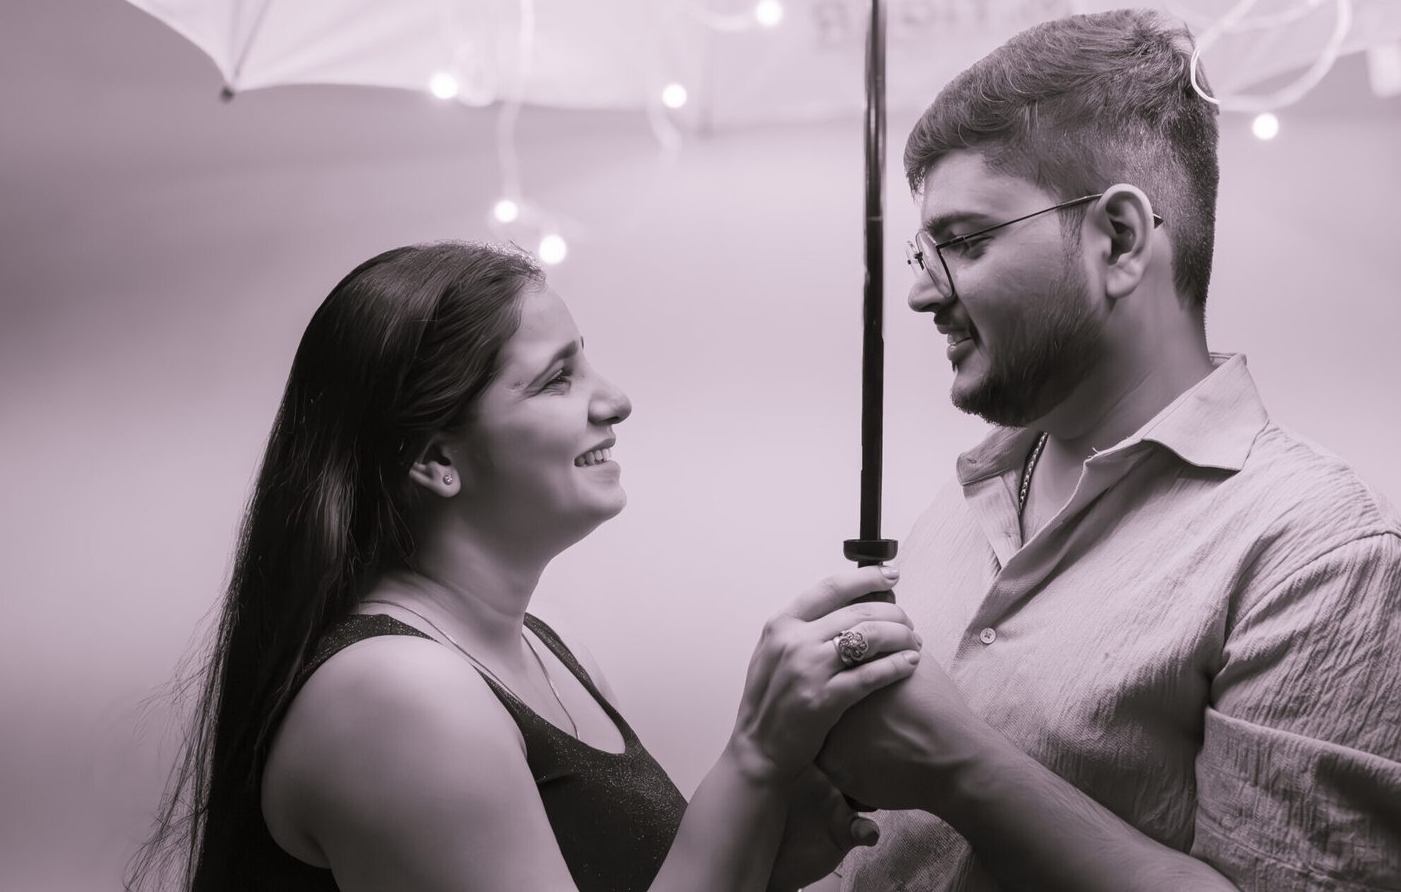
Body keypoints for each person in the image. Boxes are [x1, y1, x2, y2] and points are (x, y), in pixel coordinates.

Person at [815, 9, 1401, 891]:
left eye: (965, 242)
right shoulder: (969, 499)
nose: (919, 293)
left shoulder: (1328, 564)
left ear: (1121, 239)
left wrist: (960, 766)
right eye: (922, 249)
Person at [128, 240, 924, 892]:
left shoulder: (542, 652)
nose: (615, 400)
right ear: (438, 459)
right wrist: (755, 758)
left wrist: (758, 863)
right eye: (557, 379)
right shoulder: (397, 694)